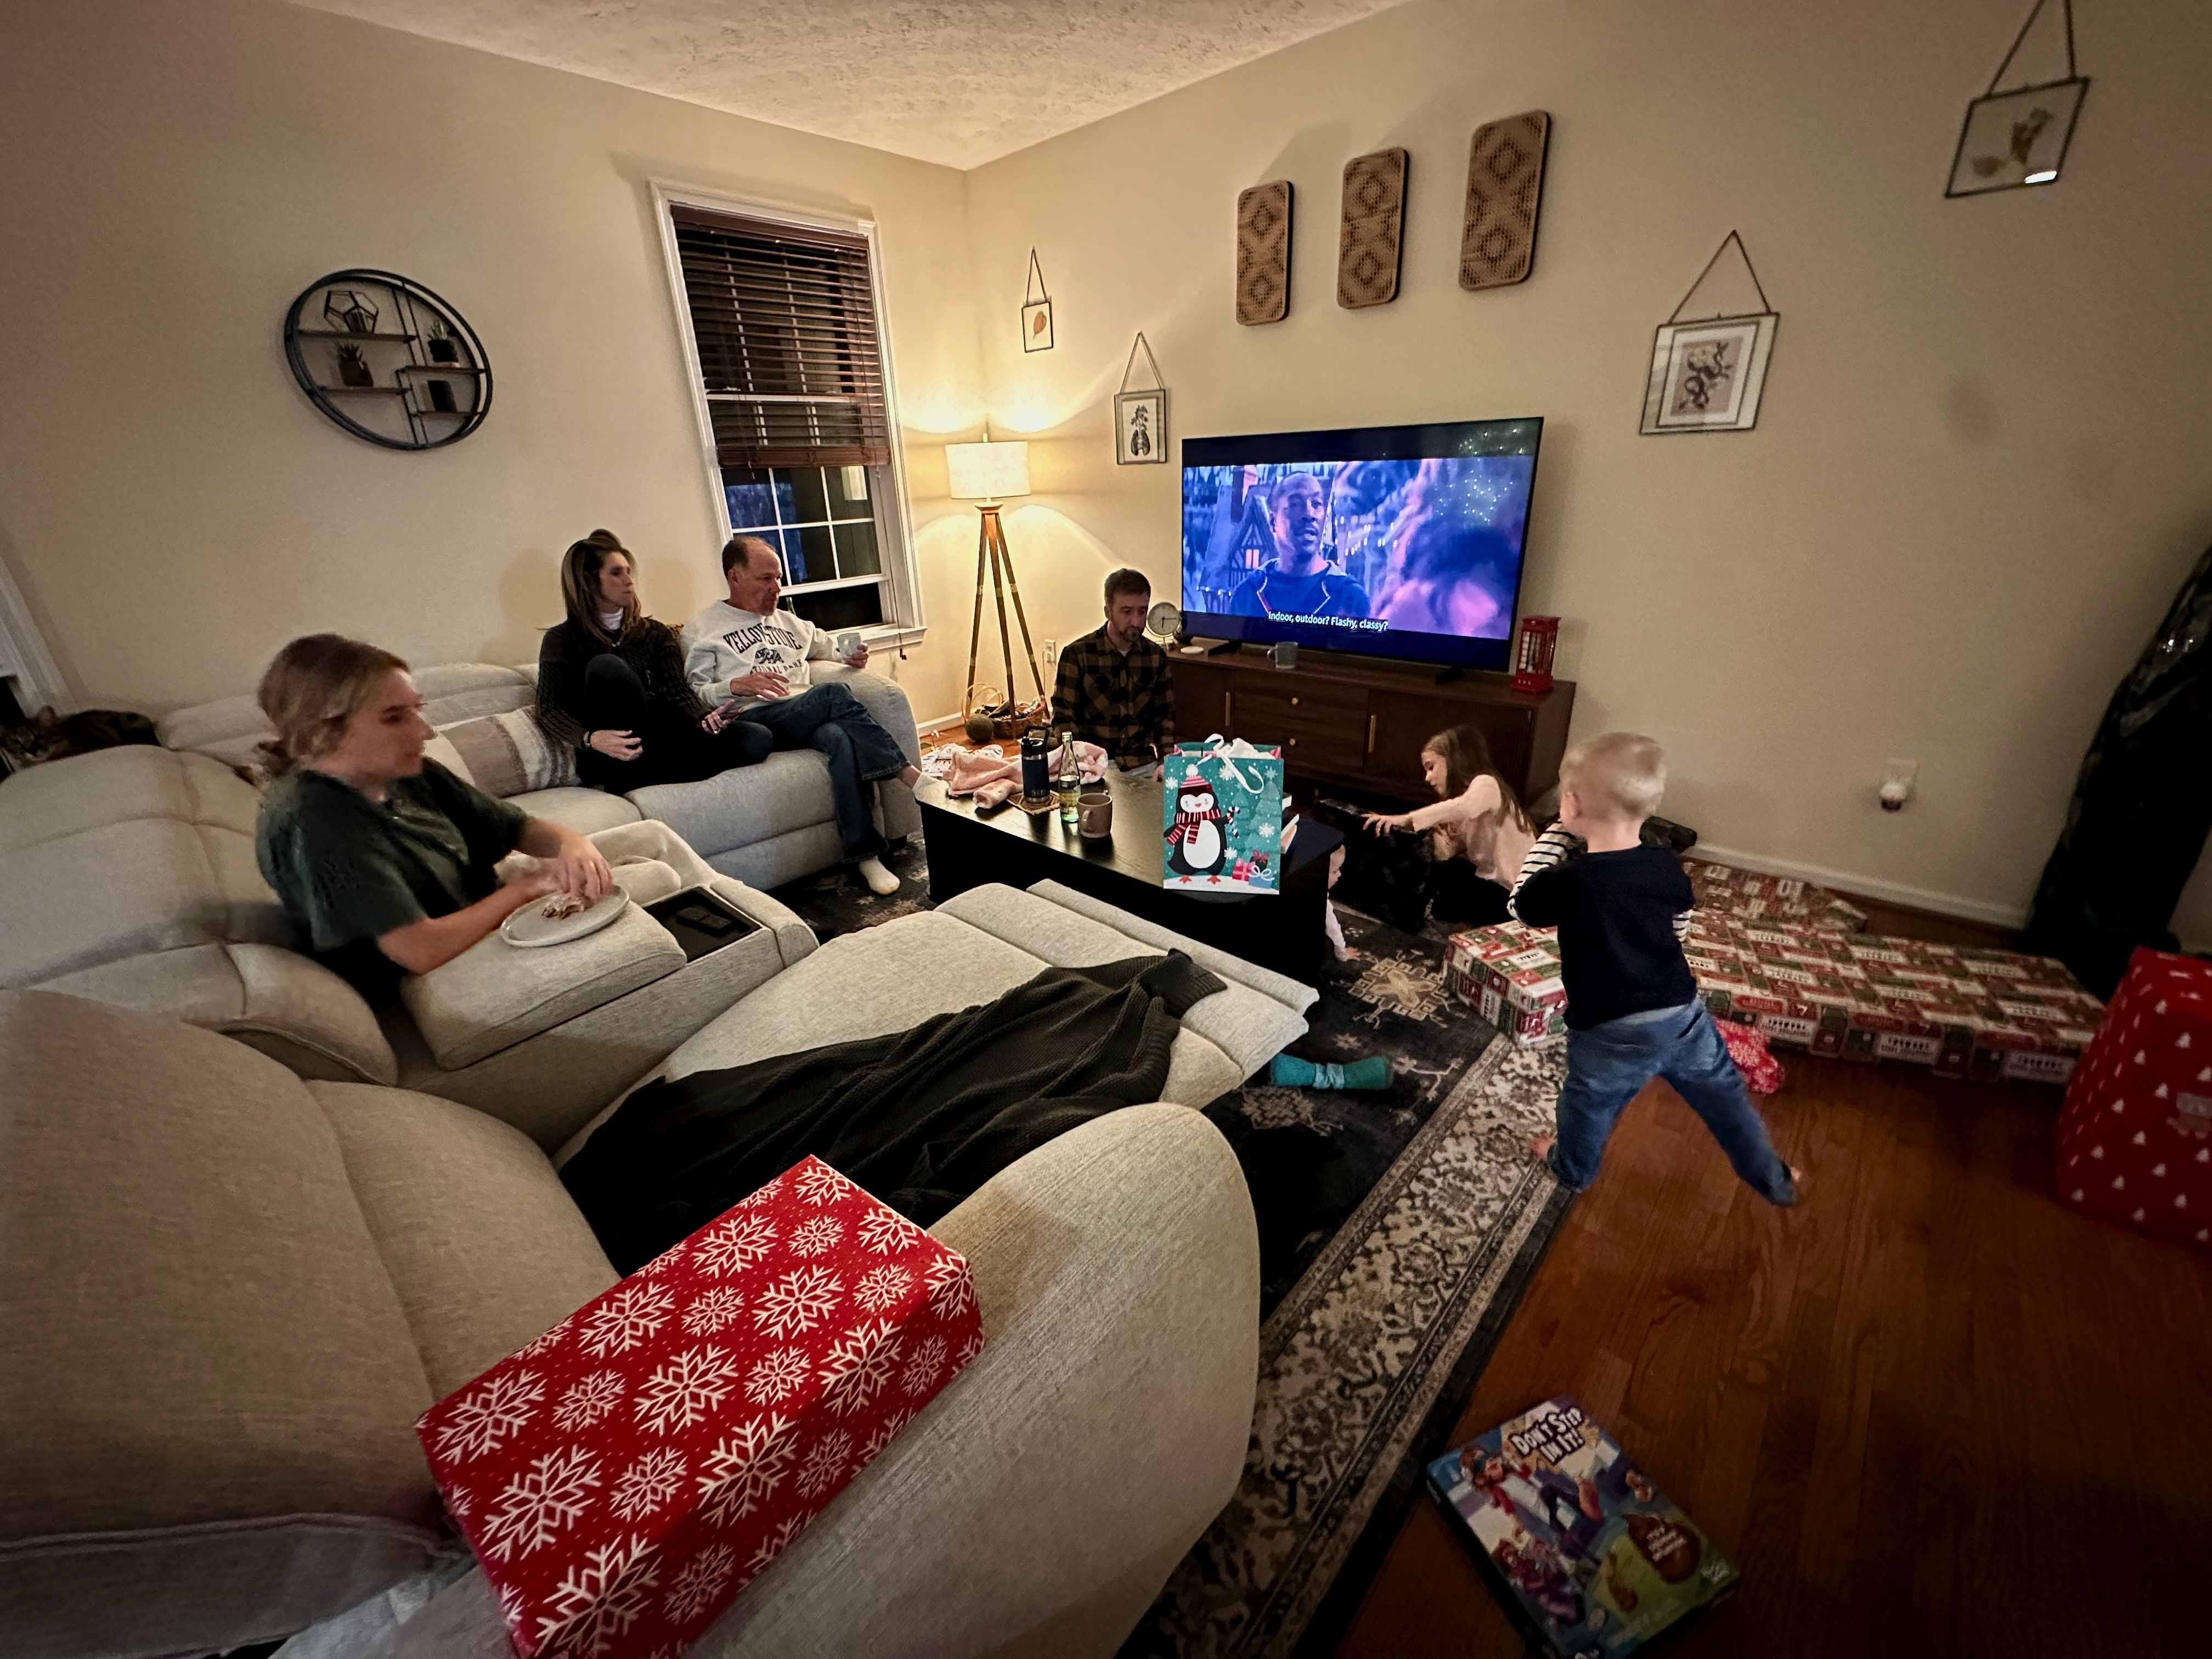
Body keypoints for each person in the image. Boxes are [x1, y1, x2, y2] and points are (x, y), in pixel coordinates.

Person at [1509, 732, 1800, 1205]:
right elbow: (1681, 920)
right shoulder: (1666, 865)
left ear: (1571, 804)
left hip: (1608, 1029)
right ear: (1649, 807)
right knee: (1726, 1099)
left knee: (1588, 1103)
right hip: (1681, 1014)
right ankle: (1775, 1178)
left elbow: (1520, 905)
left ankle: (1572, 1168)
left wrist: (1552, 840)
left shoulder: (1572, 879)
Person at [253, 634, 614, 997]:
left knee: (650, 840)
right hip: (445, 970)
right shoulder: (317, 821)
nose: (425, 731)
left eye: (417, 709)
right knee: (651, 875)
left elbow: (516, 827)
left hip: (483, 905)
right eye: (395, 718)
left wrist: (572, 845)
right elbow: (421, 951)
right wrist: (525, 889)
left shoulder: (408, 775)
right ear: (322, 730)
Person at [684, 534, 920, 895]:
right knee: (834, 694)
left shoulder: (792, 624)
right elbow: (692, 694)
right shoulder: (705, 629)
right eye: (765, 579)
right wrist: (735, 685)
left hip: (804, 714)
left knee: (840, 737)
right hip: (754, 721)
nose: (776, 588)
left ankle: (865, 855)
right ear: (735, 577)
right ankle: (908, 774)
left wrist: (853, 657)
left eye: (779, 578)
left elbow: (835, 649)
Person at [535, 529, 773, 791]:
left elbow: (678, 693)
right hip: (615, 749)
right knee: (606, 667)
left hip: (663, 739)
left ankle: (642, 776)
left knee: (757, 739)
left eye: (628, 571)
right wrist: (590, 739)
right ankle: (649, 770)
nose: (629, 580)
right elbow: (549, 709)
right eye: (616, 573)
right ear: (589, 581)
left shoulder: (655, 633)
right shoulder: (562, 640)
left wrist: (705, 717)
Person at [1362, 723, 1535, 887]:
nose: (1427, 778)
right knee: (1439, 874)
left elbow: (1465, 807)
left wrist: (1407, 819)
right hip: (1489, 879)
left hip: (1511, 886)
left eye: (1431, 767)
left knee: (1450, 884)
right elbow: (1445, 851)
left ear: (1452, 761)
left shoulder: (1487, 783)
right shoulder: (1458, 806)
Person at [1051, 567, 1174, 771]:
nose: (1136, 621)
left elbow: (1164, 718)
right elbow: (1064, 718)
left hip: (1142, 764)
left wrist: (1167, 763)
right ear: (1108, 611)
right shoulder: (1077, 655)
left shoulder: (1155, 657)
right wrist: (1078, 761)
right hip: (1092, 764)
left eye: (1142, 612)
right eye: (1126, 612)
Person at [1226, 473, 1372, 619]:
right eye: (1295, 504)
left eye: (1316, 504)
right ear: (1273, 522)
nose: (1309, 514)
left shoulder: (1351, 597)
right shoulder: (1247, 594)